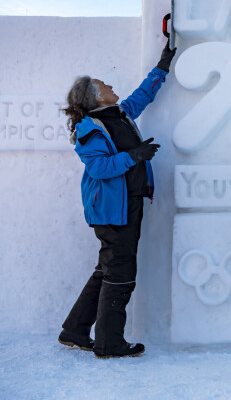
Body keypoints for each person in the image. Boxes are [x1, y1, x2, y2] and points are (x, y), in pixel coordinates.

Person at [59, 41, 176, 358]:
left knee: (107, 269)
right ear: (95, 97)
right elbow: (98, 168)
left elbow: (143, 95)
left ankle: (75, 330)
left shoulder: (119, 113)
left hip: (127, 204)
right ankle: (109, 342)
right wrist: (134, 155)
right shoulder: (89, 128)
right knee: (120, 272)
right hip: (113, 211)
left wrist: (163, 65)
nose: (110, 86)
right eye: (103, 85)